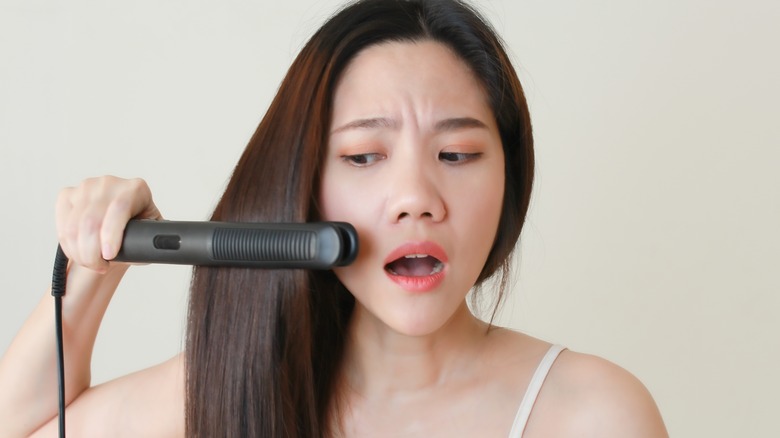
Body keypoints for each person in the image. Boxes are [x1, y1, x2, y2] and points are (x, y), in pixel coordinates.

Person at [0, 0, 668, 436]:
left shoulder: (593, 414)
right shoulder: (228, 389)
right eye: (363, 156)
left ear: (510, 175)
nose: (416, 197)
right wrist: (98, 260)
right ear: (304, 188)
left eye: (458, 153)